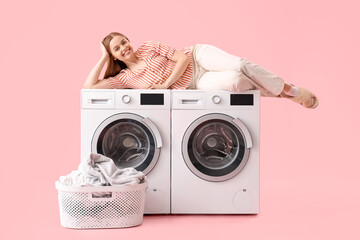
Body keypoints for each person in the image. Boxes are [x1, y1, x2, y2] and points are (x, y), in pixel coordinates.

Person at [84, 32, 318, 108]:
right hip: (194, 85)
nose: (124, 47)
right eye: (117, 48)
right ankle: (281, 92)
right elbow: (89, 87)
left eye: (124, 41)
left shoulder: (148, 47)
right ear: (114, 55)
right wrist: (103, 57)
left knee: (239, 65)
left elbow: (182, 60)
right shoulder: (125, 78)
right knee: (237, 82)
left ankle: (287, 89)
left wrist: (165, 85)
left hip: (197, 58)